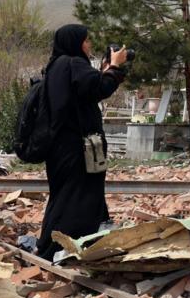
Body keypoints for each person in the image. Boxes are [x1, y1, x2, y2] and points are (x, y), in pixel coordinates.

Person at [36, 24, 127, 260]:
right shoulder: (73, 64)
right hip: (77, 148)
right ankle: (62, 249)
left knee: (67, 195)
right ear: (75, 42)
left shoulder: (56, 66)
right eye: (86, 41)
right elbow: (100, 88)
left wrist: (104, 70)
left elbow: (84, 91)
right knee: (79, 197)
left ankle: (59, 244)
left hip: (60, 148)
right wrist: (115, 66)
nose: (89, 46)